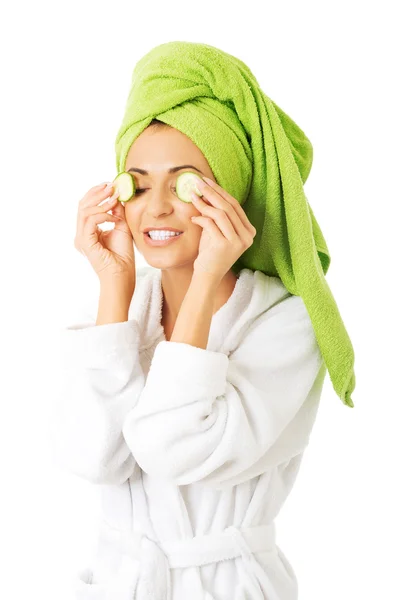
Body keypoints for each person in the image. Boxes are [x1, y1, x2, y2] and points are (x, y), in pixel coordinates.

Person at [51, 41, 354, 600]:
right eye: (136, 184)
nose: (156, 206)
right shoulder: (124, 308)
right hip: (121, 583)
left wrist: (210, 275)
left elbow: (175, 450)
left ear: (229, 193)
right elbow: (93, 457)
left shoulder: (286, 323)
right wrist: (114, 289)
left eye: (184, 183)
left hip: (227, 586)